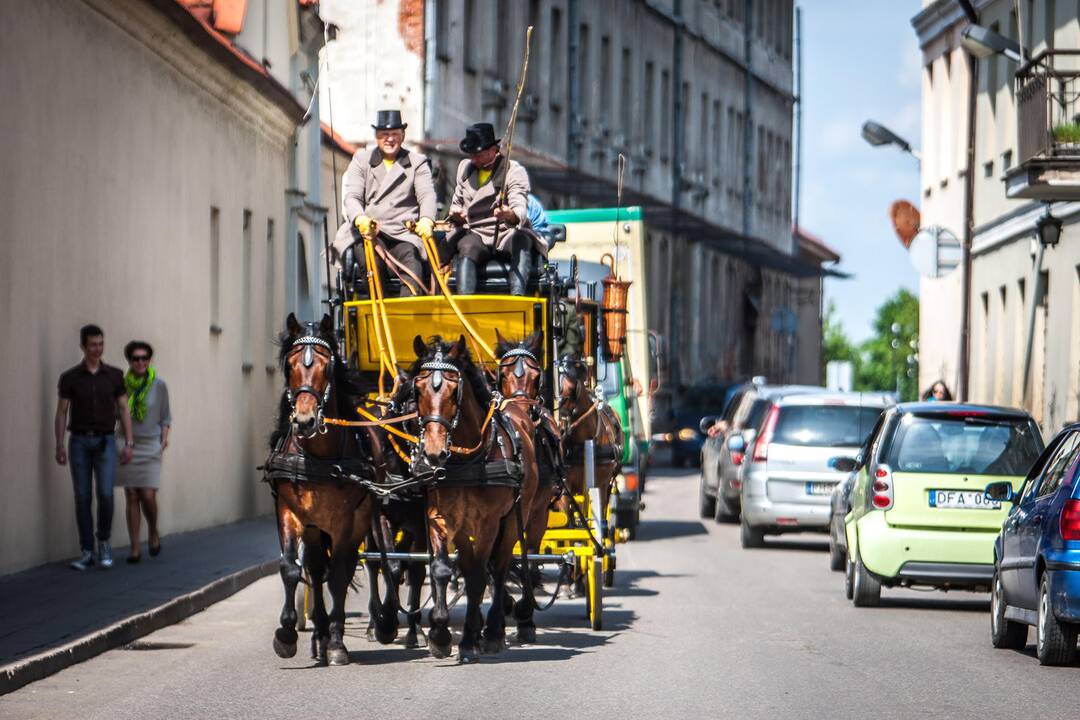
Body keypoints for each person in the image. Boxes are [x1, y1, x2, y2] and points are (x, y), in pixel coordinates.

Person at [332, 110, 437, 297]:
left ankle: (406, 316)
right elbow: (352, 197)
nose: (390, 139)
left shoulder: (417, 163)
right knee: (370, 262)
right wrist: (360, 218)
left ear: (402, 136)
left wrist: (427, 219)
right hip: (370, 233)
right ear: (377, 137)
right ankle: (379, 313)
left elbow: (427, 195)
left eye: (395, 134)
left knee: (414, 264)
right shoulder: (361, 160)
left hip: (403, 234)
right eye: (384, 135)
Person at [55, 324, 134, 570]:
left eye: (100, 344)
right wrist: (59, 444)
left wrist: (129, 442)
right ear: (83, 346)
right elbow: (62, 412)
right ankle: (87, 551)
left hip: (106, 442)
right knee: (82, 497)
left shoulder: (114, 375)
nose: (97, 349)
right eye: (92, 345)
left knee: (106, 495)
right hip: (78, 441)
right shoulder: (70, 378)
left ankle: (104, 542)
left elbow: (123, 409)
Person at [447, 122, 546, 296]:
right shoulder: (465, 169)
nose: (474, 159)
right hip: (476, 232)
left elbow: (520, 208)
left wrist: (509, 214)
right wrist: (456, 214)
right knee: (466, 245)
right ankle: (464, 304)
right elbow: (457, 201)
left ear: (493, 150)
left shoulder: (513, 171)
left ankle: (518, 298)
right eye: (472, 155)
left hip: (505, 233)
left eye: (478, 154)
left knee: (521, 240)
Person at [116, 340, 171, 563]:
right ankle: (135, 548)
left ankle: (153, 530)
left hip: (150, 444)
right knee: (131, 494)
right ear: (129, 361)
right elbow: (115, 414)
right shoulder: (120, 386)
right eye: (136, 358)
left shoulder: (159, 386)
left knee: (147, 495)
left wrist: (164, 440)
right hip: (126, 442)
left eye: (144, 358)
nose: (140, 362)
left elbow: (166, 417)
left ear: (149, 361)